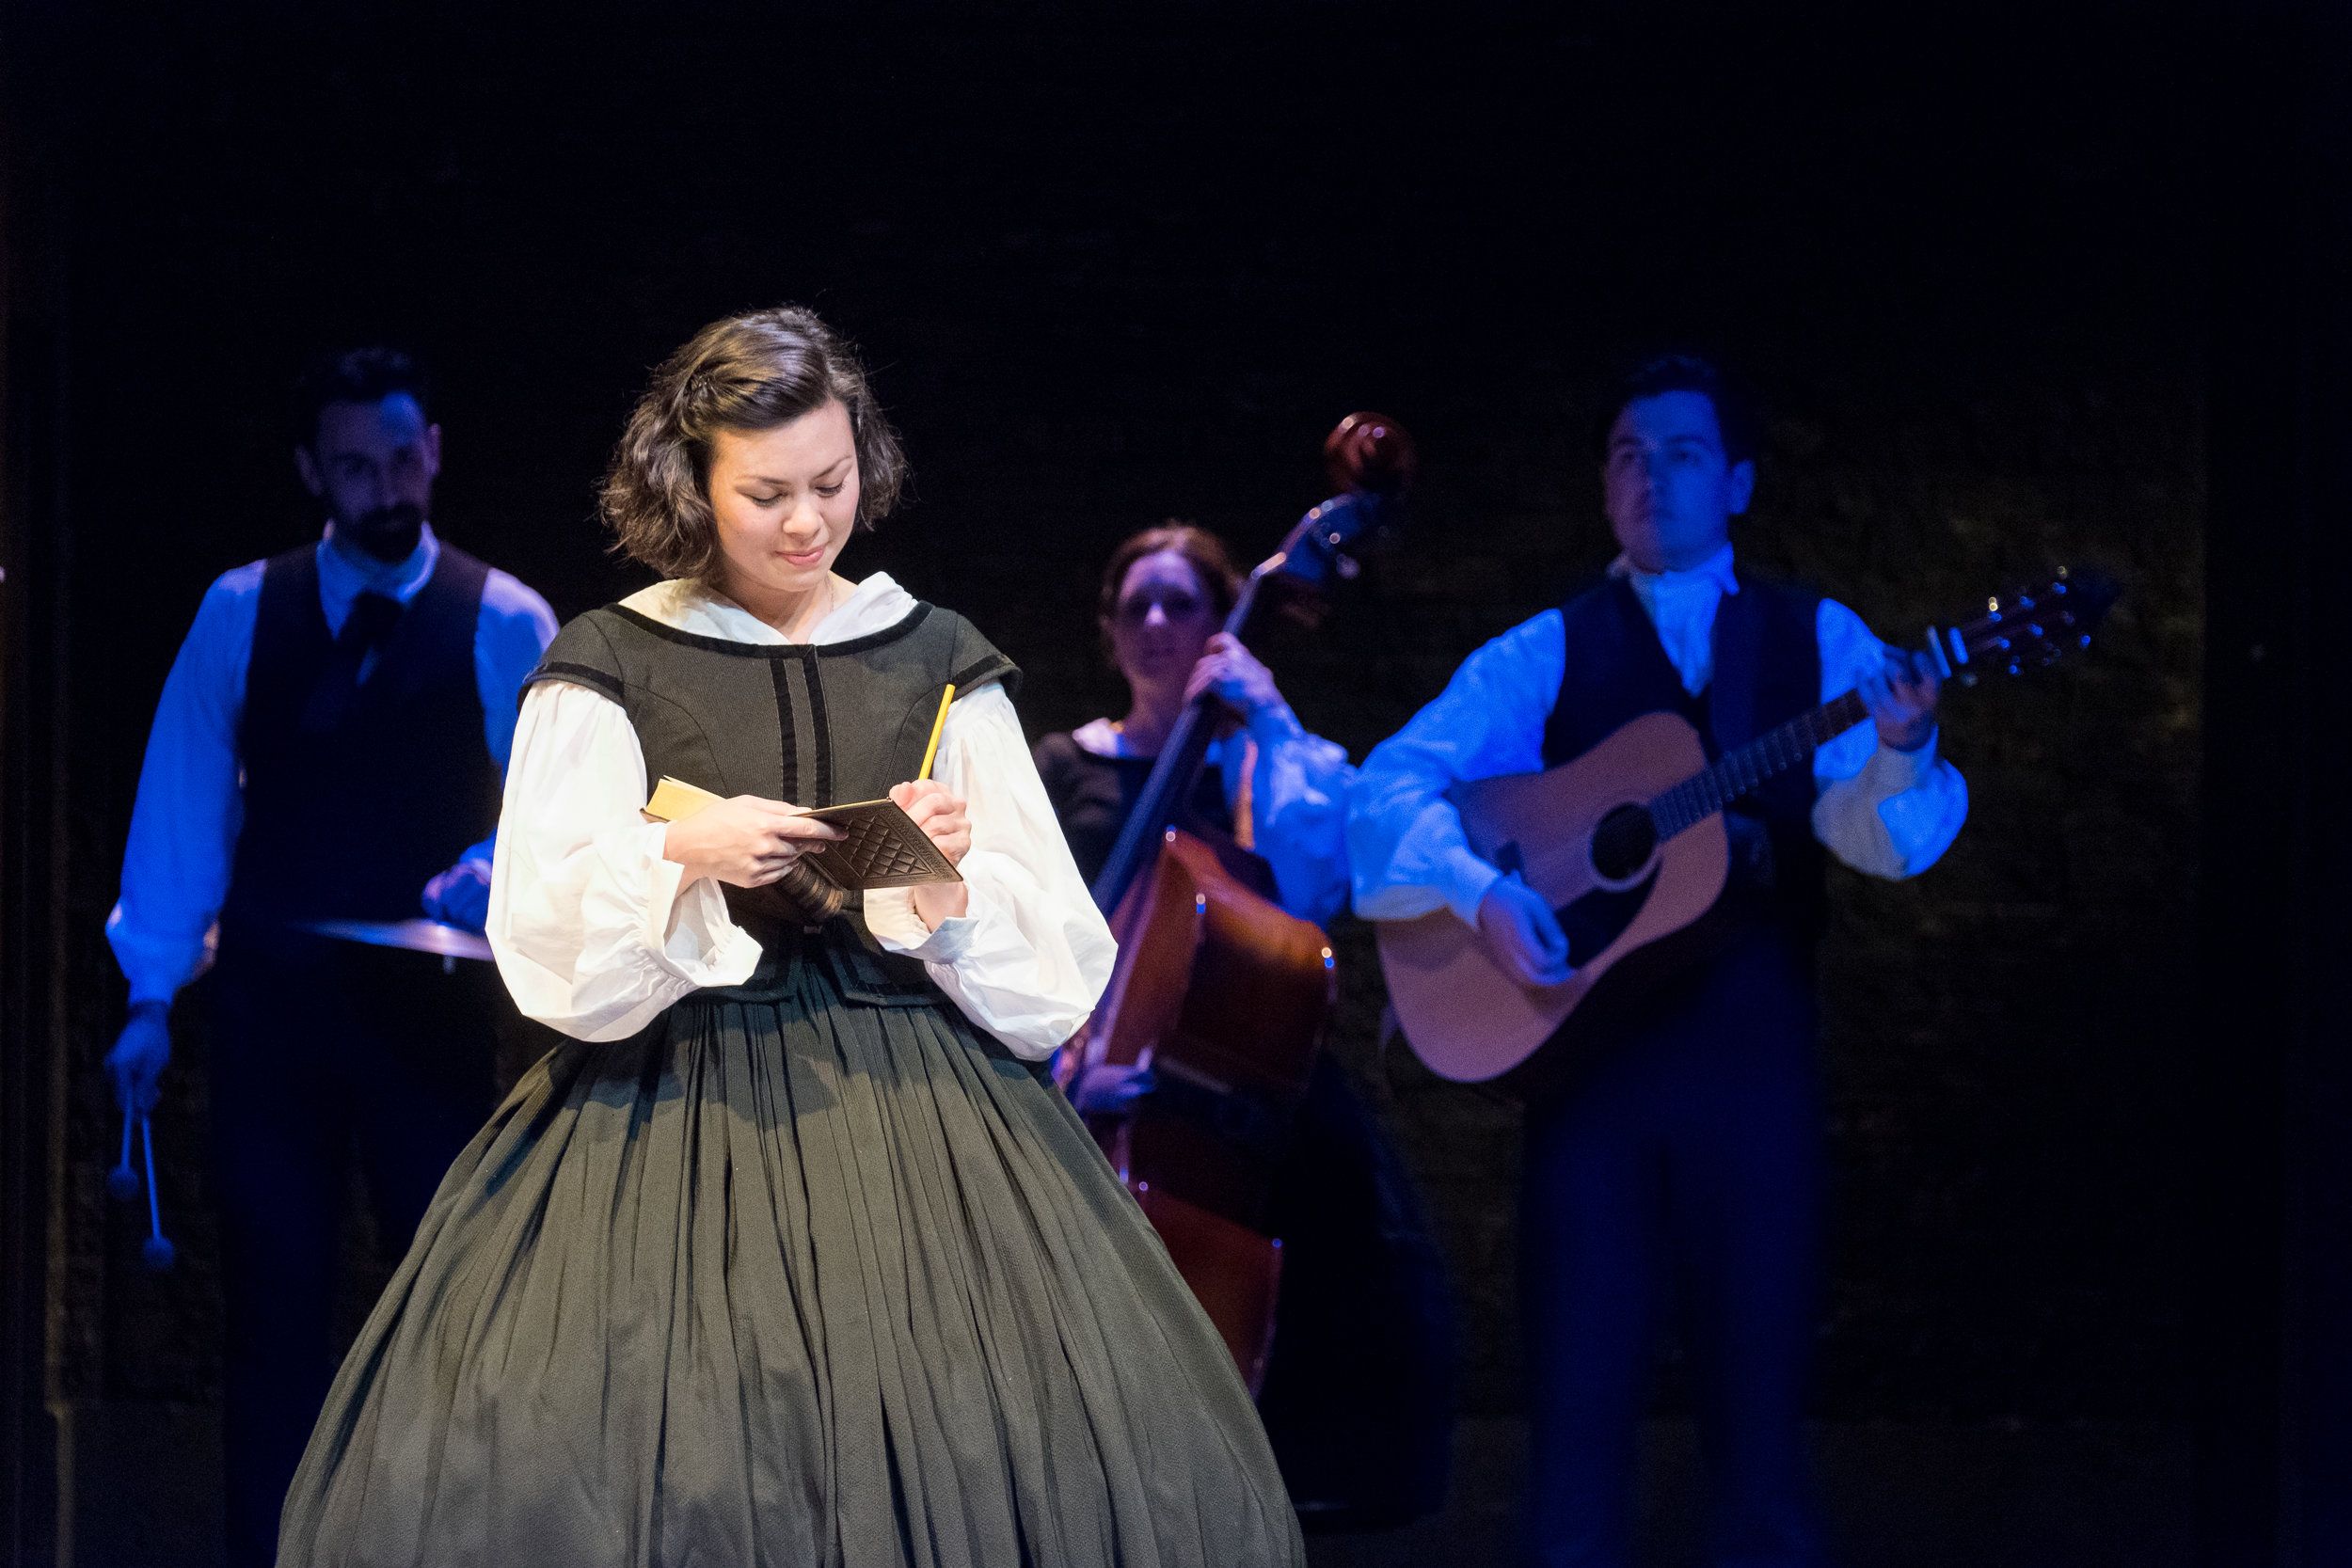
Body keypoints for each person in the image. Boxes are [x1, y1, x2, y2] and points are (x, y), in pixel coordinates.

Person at [275, 307, 1306, 1567]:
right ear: (691, 485)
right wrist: (678, 856)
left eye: (833, 479)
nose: (809, 520)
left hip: (926, 1113)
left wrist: (940, 885)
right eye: (768, 492)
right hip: (669, 1102)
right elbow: (545, 950)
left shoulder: (938, 660)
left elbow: (1053, 982)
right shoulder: (608, 663)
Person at [1347, 355, 1969, 1568]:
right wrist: (1480, 891)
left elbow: (1879, 838)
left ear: (1735, 481)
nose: (1650, 476)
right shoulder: (1547, 647)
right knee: (1574, 1436)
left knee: (1760, 1430)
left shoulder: (1818, 638)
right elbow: (1386, 789)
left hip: (1755, 1064)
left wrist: (1900, 746)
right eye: (1628, 456)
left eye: (1682, 454)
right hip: (1596, 1080)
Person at [102, 346, 559, 1567]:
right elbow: (183, 802)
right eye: (356, 465)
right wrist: (151, 992)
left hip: (433, 1011)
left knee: (453, 1307)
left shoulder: (506, 616)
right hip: (274, 1010)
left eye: (403, 457)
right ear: (313, 469)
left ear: (436, 450)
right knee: (276, 1317)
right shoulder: (241, 607)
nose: (386, 485)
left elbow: (563, 812)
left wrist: (493, 872)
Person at [1033, 524, 1454, 1528]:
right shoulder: (1063, 764)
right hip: (1099, 1086)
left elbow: (1322, 884)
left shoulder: (1264, 764)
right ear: (1107, 629)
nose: (1156, 623)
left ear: (1224, 621)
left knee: (1370, 1268)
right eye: (1135, 604)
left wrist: (1268, 716)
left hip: (1239, 1087)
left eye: (1181, 602)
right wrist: (1061, 1064)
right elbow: (1032, 932)